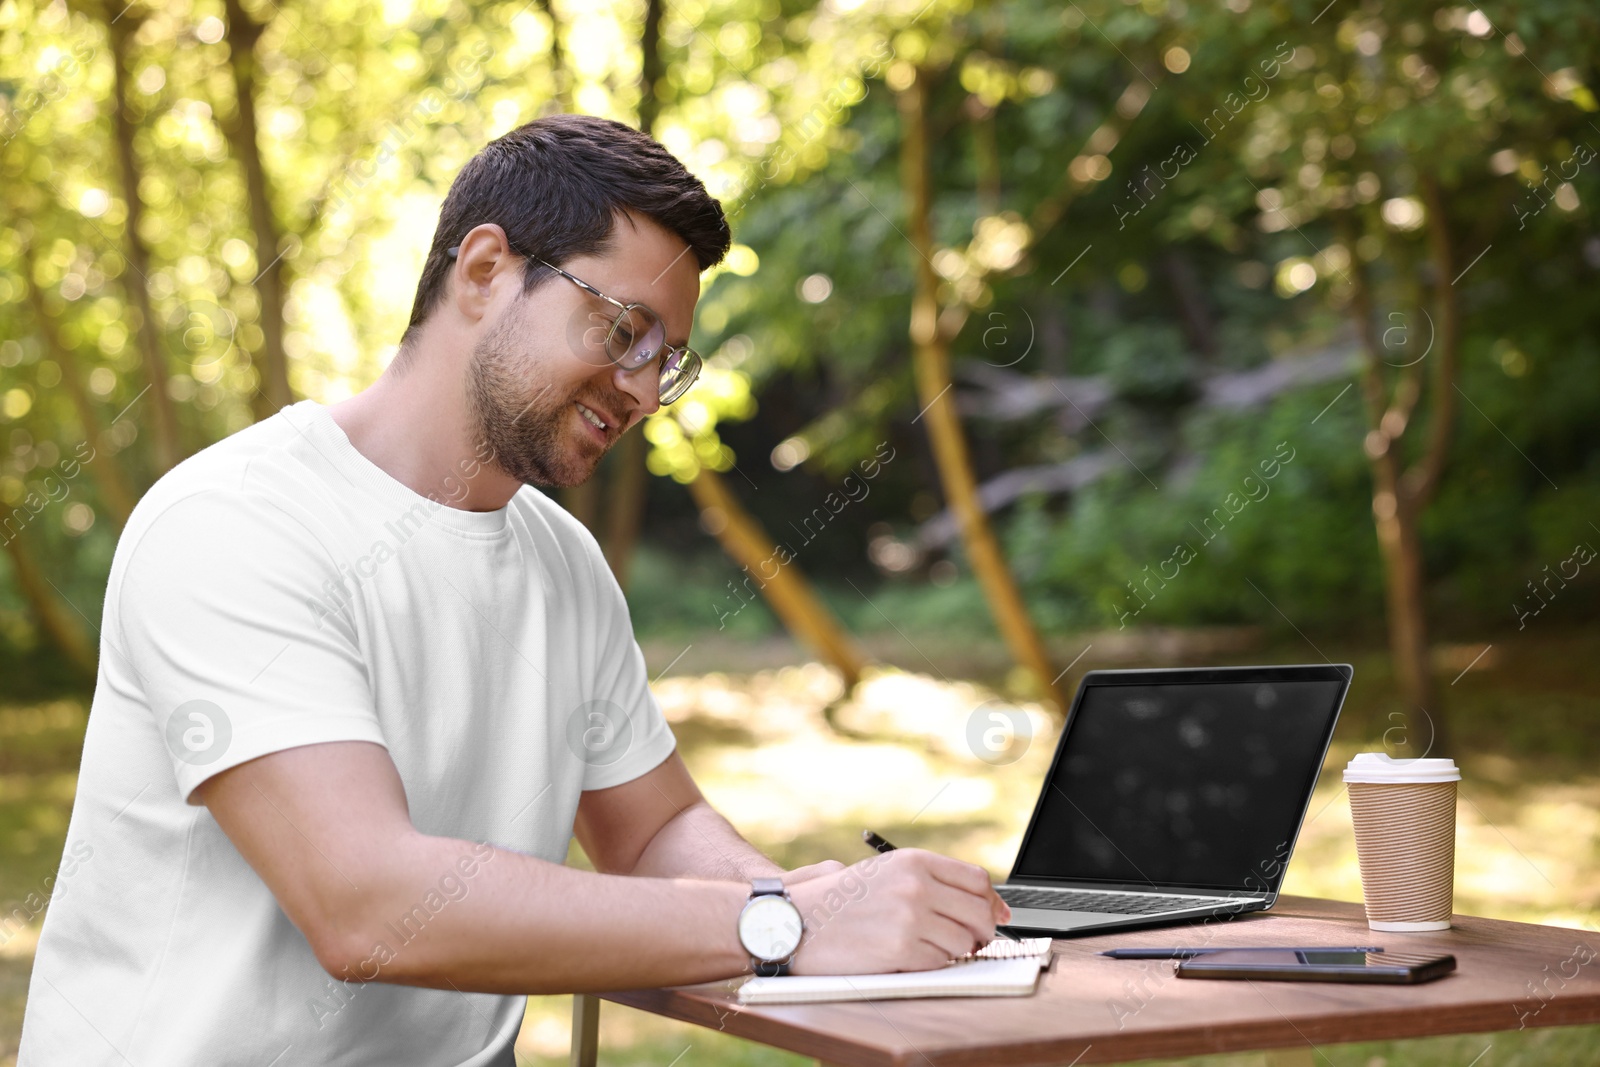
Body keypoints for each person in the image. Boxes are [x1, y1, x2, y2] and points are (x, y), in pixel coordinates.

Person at [19, 114, 1008, 1067]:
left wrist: (822, 899)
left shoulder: (561, 563)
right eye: (623, 329)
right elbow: (363, 901)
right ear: (485, 270)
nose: (639, 388)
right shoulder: (234, 522)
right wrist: (783, 921)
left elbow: (652, 827)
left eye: (666, 359)